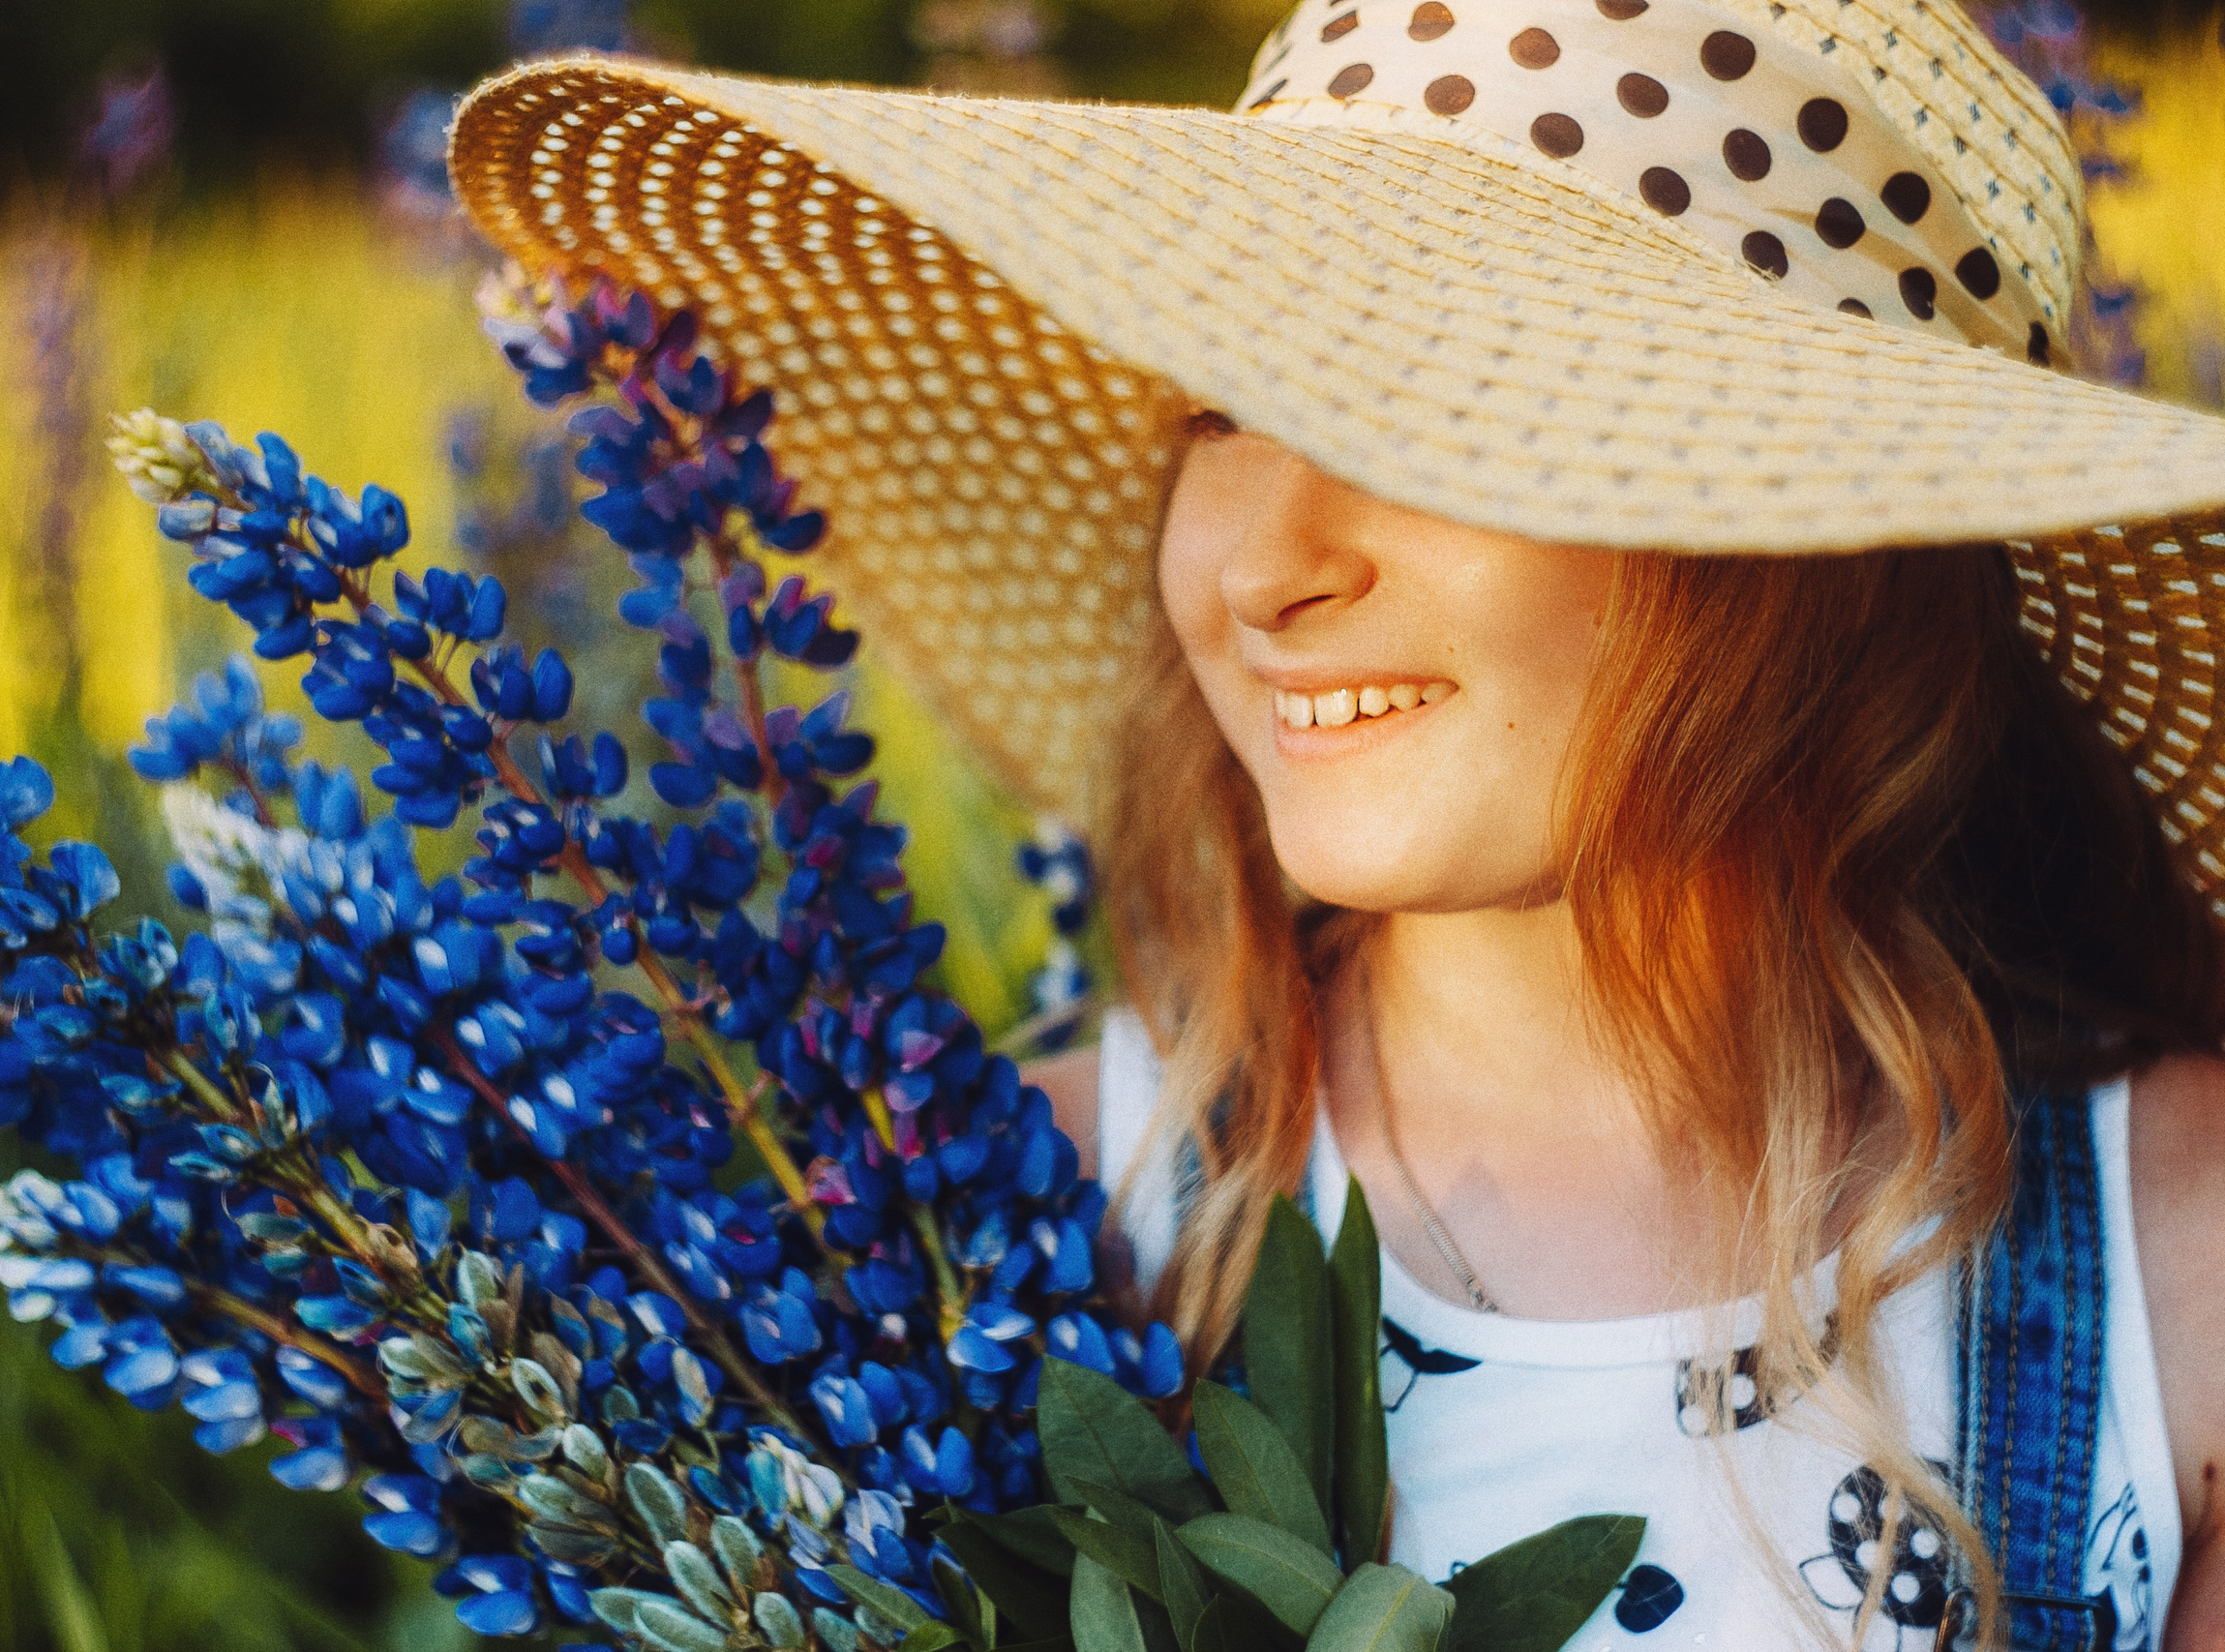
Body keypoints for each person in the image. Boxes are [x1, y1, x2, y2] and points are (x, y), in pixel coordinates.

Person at [447, 2, 2225, 1643]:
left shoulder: (2177, 1259)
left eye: (1430, 409)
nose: (1273, 568)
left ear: (1821, 540)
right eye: (1220, 408)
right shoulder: (1011, 1211)